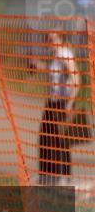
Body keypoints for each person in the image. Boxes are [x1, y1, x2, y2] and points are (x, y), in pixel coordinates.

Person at [31, 32, 82, 185]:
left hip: (61, 104)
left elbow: (76, 79)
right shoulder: (55, 55)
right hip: (52, 103)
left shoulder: (64, 54)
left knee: (59, 141)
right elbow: (52, 72)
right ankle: (47, 175)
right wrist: (37, 65)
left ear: (60, 39)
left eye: (52, 38)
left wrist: (69, 103)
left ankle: (62, 178)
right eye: (47, 38)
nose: (49, 41)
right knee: (46, 139)